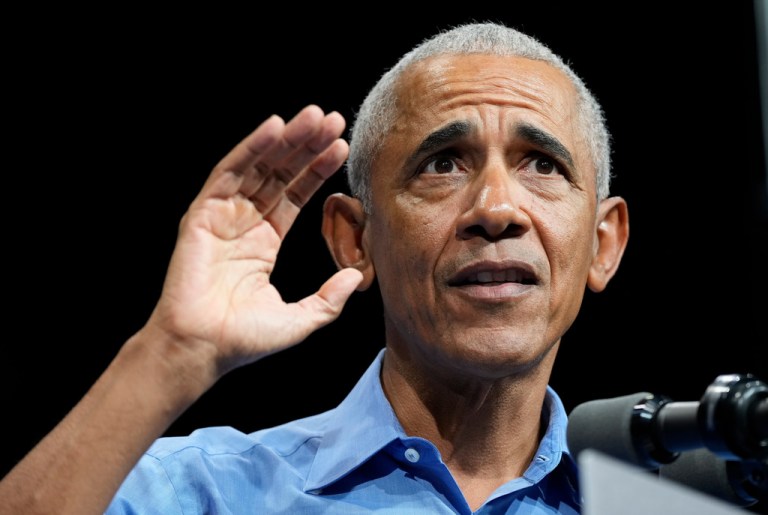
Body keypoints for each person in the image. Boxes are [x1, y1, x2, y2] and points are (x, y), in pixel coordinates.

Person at [0, 21, 629, 514]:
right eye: (443, 164)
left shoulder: (675, 502)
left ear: (603, 244)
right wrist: (173, 351)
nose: (495, 210)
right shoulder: (202, 493)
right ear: (354, 238)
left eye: (543, 166)